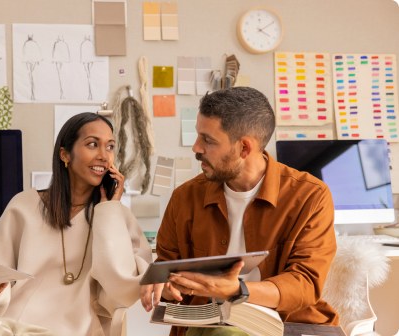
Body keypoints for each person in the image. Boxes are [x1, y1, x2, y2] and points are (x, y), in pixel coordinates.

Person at [140, 87, 339, 336]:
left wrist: (236, 289)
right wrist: (164, 284)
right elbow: (167, 266)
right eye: (198, 136)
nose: (196, 147)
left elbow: (305, 284)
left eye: (208, 140)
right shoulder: (185, 197)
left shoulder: (310, 195)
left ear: (244, 148)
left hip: (286, 324)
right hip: (206, 323)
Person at [0, 112, 152, 335]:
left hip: (75, 329)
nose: (103, 156)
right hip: (11, 324)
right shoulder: (24, 206)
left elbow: (121, 290)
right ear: (65, 155)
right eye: (92, 144)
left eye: (110, 146)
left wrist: (109, 211)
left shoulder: (116, 217)